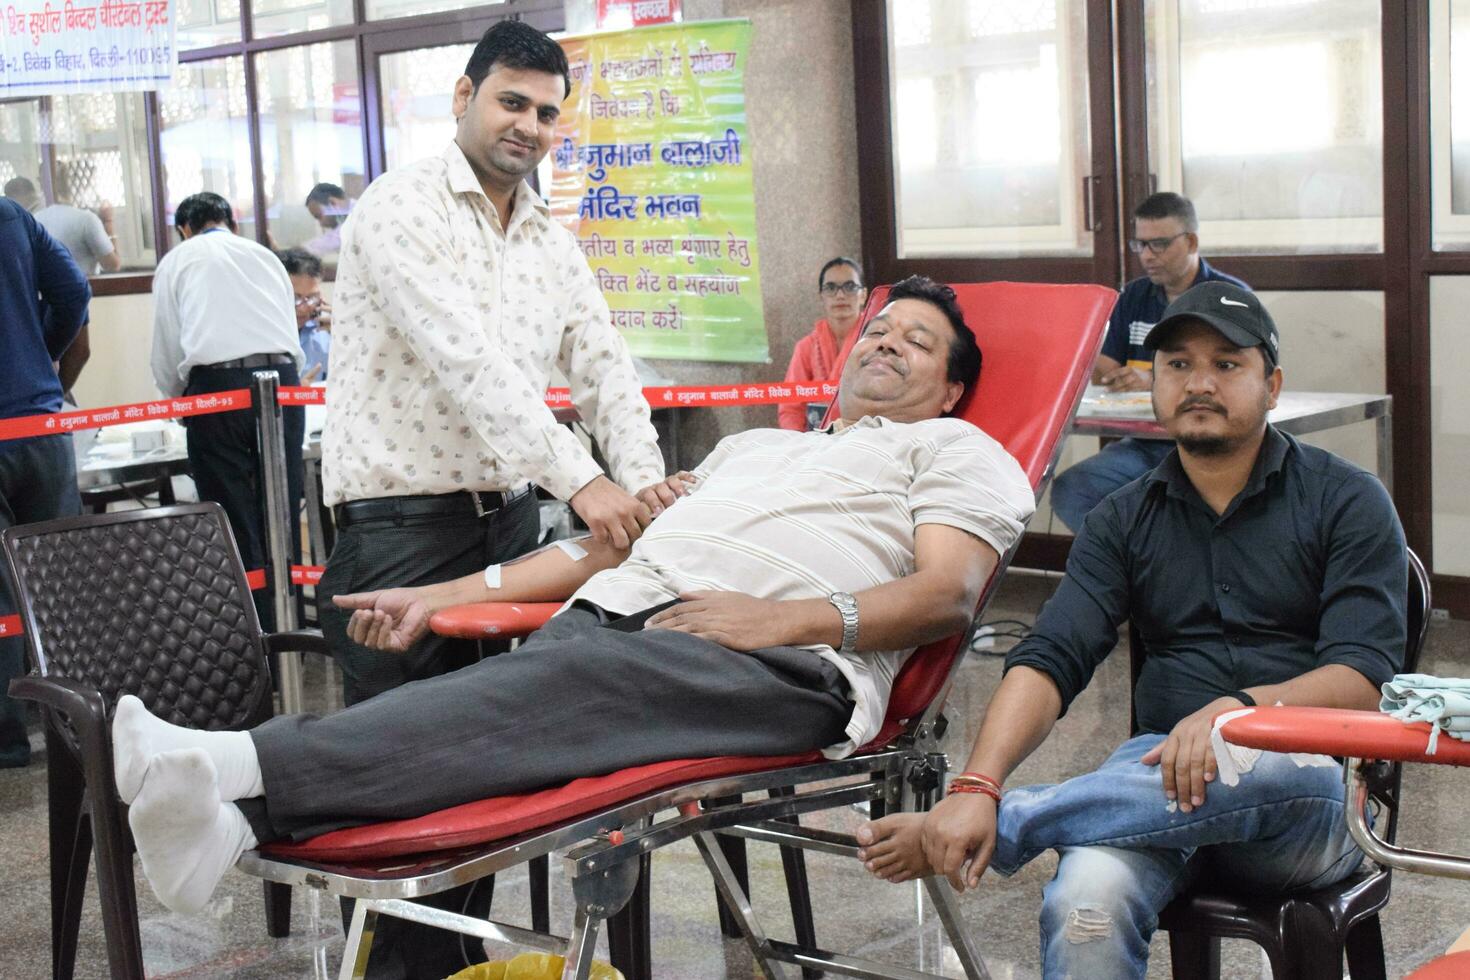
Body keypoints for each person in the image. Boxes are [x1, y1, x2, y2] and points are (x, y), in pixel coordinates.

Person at [110, 276, 1036, 941]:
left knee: (538, 692)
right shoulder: (752, 450)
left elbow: (946, 594)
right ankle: (238, 823)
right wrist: (437, 598)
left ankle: (235, 762)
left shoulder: (956, 450)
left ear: (951, 388)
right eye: (880, 329)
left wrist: (780, 622)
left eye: (917, 342)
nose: (886, 343)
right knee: (506, 722)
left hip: (773, 664)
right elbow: (595, 550)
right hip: (621, 626)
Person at [856, 281, 1407, 980]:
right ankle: (1002, 815)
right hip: (1155, 791)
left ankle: (1017, 825)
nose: (1199, 382)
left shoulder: (1347, 500)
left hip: (1302, 792)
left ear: (1272, 385)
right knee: (1086, 904)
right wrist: (977, 783)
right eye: (1177, 365)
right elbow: (1051, 658)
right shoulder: (1122, 517)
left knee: (1260, 763)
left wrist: (1240, 717)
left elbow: (1363, 679)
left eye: (1227, 364)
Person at [150, 192, 305, 633]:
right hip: (282, 384)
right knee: (281, 508)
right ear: (231, 222)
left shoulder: (179, 260)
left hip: (218, 389)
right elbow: (287, 329)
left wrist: (178, 400)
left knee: (232, 514)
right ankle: (288, 630)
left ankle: (251, 640)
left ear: (184, 228)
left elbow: (166, 345)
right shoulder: (264, 255)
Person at [1049, 192, 1248, 532]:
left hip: (1209, 442)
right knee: (1072, 489)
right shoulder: (1134, 296)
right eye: (1140, 245)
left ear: (1191, 241)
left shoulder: (1229, 299)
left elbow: (1239, 378)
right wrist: (1100, 365)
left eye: (1159, 244)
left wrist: (1156, 381)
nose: (1147, 256)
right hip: (1146, 442)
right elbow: (1106, 365)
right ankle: (1130, 568)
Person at [0, 196, 90, 767]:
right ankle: (83, 728)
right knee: (60, 583)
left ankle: (7, 741)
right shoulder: (10, 214)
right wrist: (43, 357)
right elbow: (74, 291)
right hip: (38, 422)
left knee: (0, 598)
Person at [779, 257, 868, 432]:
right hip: (813, 445)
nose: (840, 295)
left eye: (850, 287)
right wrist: (799, 447)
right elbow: (790, 409)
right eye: (831, 288)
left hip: (865, 438)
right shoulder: (805, 347)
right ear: (821, 296)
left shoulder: (878, 343)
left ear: (863, 295)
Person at [4, 175, 123, 275]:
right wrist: (108, 221)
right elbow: (112, 265)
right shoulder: (86, 219)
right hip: (89, 294)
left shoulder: (33, 220)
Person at [277, 247, 331, 382]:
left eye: (312, 297)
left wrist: (345, 337)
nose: (304, 308)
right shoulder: (264, 333)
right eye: (295, 298)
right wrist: (297, 393)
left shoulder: (326, 329)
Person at [302, 181, 352, 259]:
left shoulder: (357, 217)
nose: (321, 224)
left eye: (318, 216)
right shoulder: (347, 219)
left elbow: (332, 241)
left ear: (333, 203)